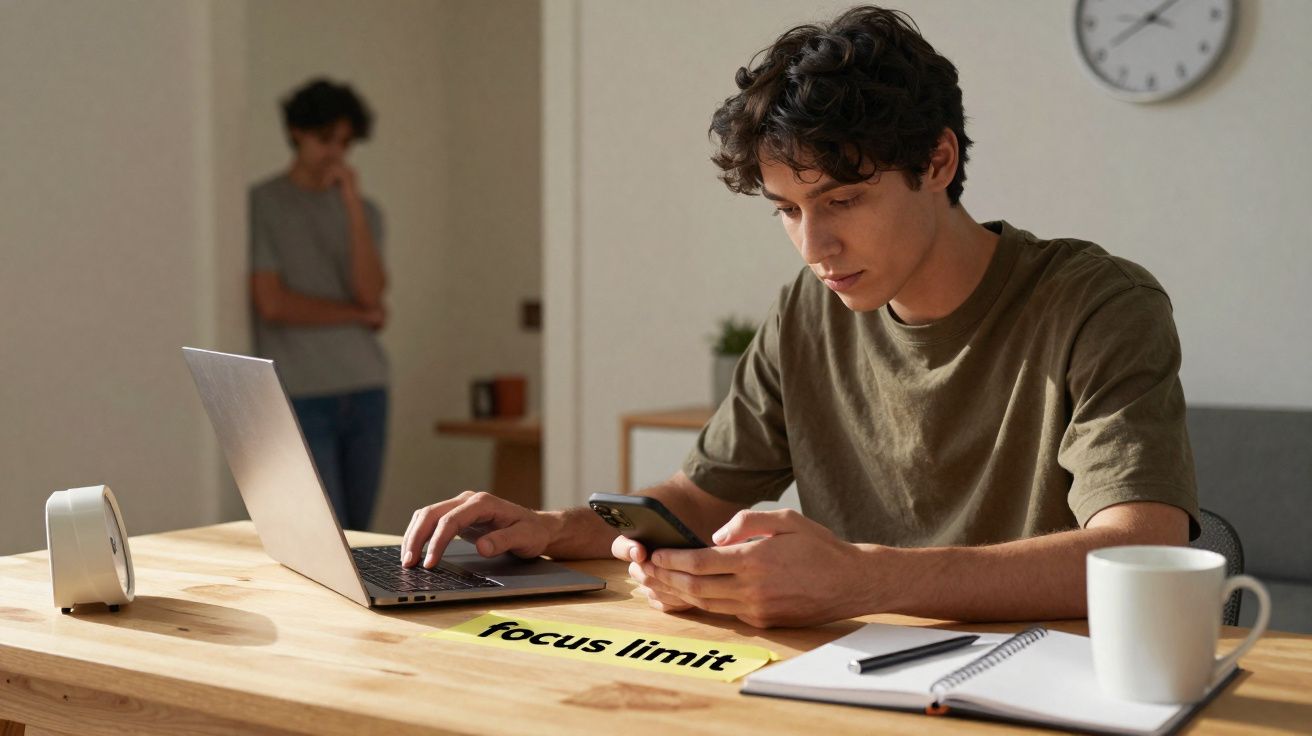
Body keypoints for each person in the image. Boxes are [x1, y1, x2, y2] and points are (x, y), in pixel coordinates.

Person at [401, 6, 1199, 627]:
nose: (815, 246)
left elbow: (1143, 548)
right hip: (843, 679)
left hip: (1038, 683)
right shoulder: (810, 312)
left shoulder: (1097, 304)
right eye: (786, 210)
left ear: (938, 163)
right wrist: (547, 527)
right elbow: (699, 498)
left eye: (843, 200)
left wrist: (860, 578)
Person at [250, 78, 389, 531]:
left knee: (361, 535)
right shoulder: (261, 204)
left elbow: (372, 295)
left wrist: (349, 203)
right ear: (296, 131)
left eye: (345, 142)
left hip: (367, 386)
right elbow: (272, 304)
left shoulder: (365, 212)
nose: (336, 152)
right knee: (319, 533)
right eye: (325, 138)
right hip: (301, 391)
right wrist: (356, 316)